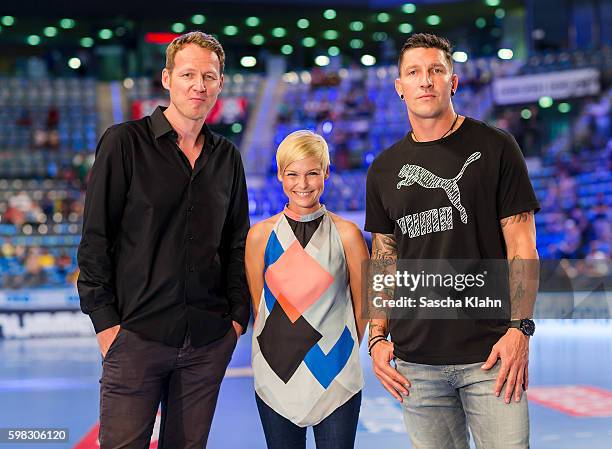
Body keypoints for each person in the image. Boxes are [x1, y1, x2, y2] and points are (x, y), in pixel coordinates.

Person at [365, 33, 540, 449]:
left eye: (435, 70)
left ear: (453, 81)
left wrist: (520, 329)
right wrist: (376, 336)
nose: (425, 80)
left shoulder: (497, 147)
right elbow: (384, 259)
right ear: (399, 87)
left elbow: (522, 244)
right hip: (416, 363)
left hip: (491, 355)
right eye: (414, 72)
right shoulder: (385, 169)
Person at [77, 31, 250, 449]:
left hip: (208, 338)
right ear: (167, 79)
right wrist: (107, 326)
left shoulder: (227, 157)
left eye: (209, 76)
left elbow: (236, 243)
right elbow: (96, 239)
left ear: (221, 84)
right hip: (135, 337)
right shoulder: (124, 143)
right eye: (188, 74)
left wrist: (236, 319)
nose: (199, 85)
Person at [246, 130, 368, 449]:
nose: (303, 184)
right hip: (276, 373)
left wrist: (340, 347)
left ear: (326, 172)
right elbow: (260, 304)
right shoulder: (260, 236)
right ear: (281, 176)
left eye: (312, 173)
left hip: (336, 373)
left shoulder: (348, 235)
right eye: (293, 174)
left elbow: (363, 306)